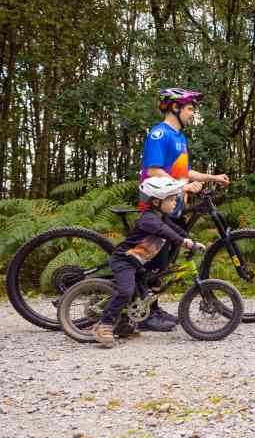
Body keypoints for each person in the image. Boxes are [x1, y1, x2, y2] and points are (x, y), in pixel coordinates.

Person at [139, 88, 229, 329]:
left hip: (174, 206)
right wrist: (184, 186)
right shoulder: (160, 134)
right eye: (190, 109)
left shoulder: (180, 138)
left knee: (165, 260)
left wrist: (213, 177)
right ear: (175, 108)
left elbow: (183, 172)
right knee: (155, 261)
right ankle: (145, 316)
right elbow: (154, 171)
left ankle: (152, 308)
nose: (193, 114)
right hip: (157, 207)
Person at [92, 178, 204, 347]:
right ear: (157, 201)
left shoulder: (161, 216)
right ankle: (104, 325)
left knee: (144, 294)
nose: (175, 202)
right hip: (125, 260)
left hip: (138, 263)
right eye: (172, 199)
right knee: (126, 291)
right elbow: (166, 233)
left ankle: (123, 324)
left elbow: (177, 231)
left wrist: (191, 239)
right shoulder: (149, 220)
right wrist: (186, 243)